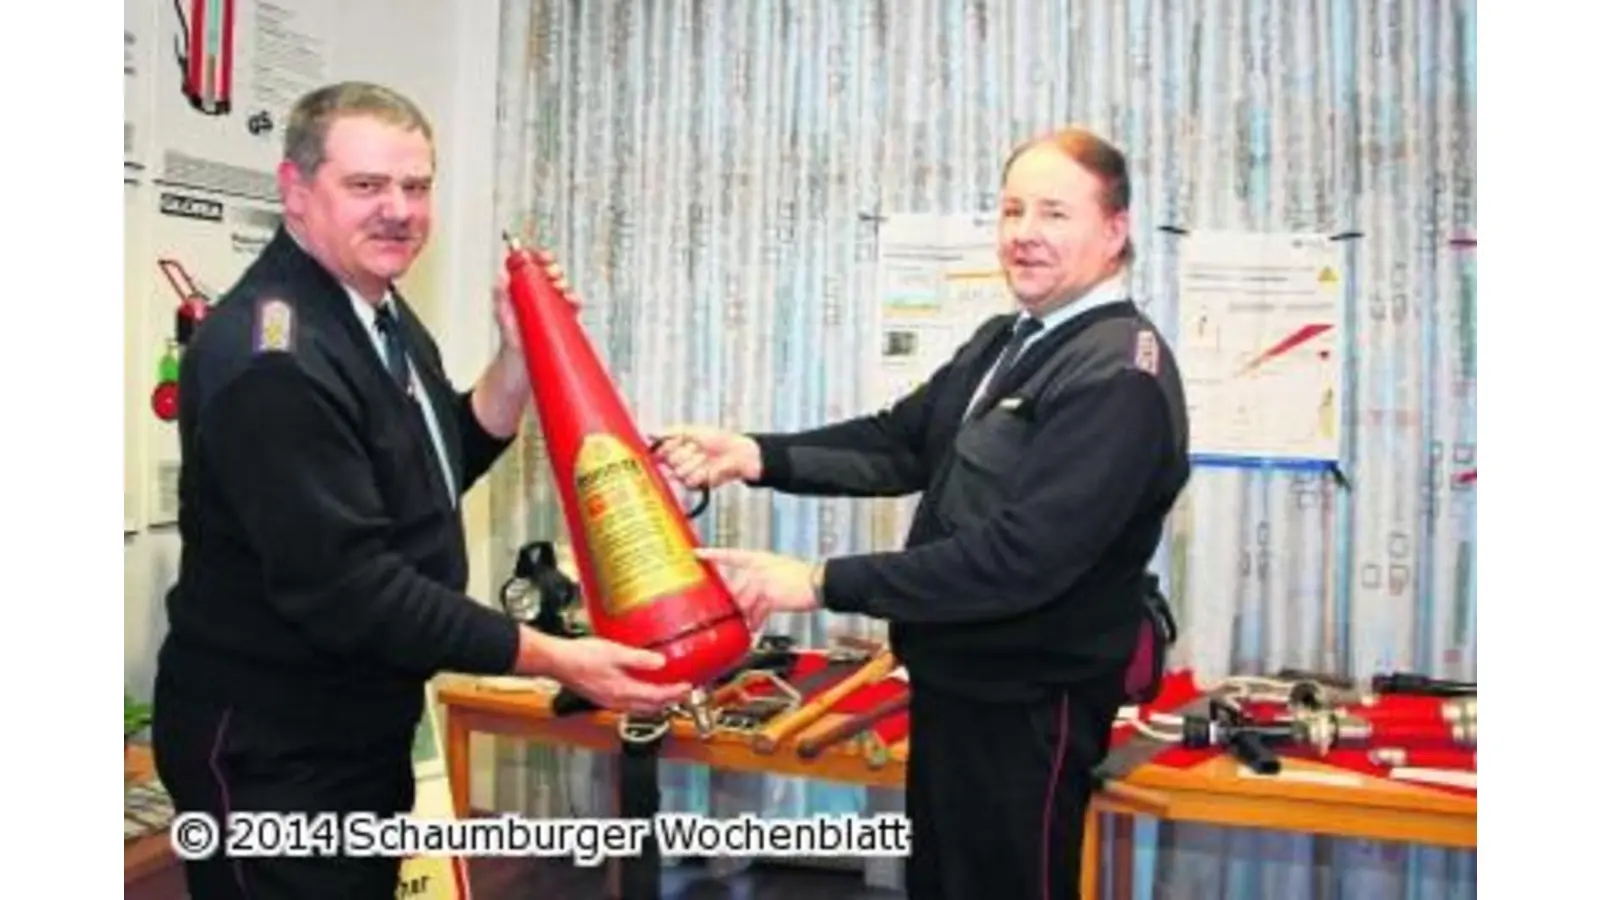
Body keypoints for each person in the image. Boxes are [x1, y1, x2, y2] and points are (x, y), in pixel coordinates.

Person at [150, 81, 690, 900]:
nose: (398, 210)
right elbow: (350, 588)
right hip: (274, 752)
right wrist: (556, 659)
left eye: (417, 186)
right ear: (295, 191)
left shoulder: (375, 312)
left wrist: (516, 356)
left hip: (357, 729)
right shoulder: (276, 357)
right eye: (366, 186)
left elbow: (441, 463)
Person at [654, 127, 1190, 900]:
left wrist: (816, 580)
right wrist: (753, 454)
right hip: (955, 685)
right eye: (1011, 212)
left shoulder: (1116, 373)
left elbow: (1020, 557)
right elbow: (903, 444)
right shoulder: (1010, 339)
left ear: (1115, 231)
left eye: (1053, 214)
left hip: (1029, 709)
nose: (1025, 235)